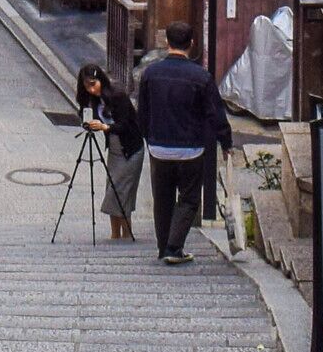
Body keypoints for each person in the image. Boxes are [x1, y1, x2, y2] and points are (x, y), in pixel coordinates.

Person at [136, 22, 230, 263]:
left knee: (162, 199)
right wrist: (225, 141)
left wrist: (147, 136)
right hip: (190, 148)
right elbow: (215, 113)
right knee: (188, 199)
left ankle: (163, 247)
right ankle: (174, 247)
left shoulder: (151, 74)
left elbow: (143, 112)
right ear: (191, 44)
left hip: (159, 147)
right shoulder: (201, 77)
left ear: (167, 42)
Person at [75, 61, 144, 241]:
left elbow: (124, 125)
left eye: (93, 84)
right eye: (86, 87)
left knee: (121, 193)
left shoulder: (117, 96)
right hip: (114, 150)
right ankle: (116, 235)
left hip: (130, 149)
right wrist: (87, 119)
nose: (91, 90)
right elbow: (83, 113)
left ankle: (127, 235)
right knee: (112, 190)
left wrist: (105, 126)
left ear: (100, 80)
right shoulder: (94, 101)